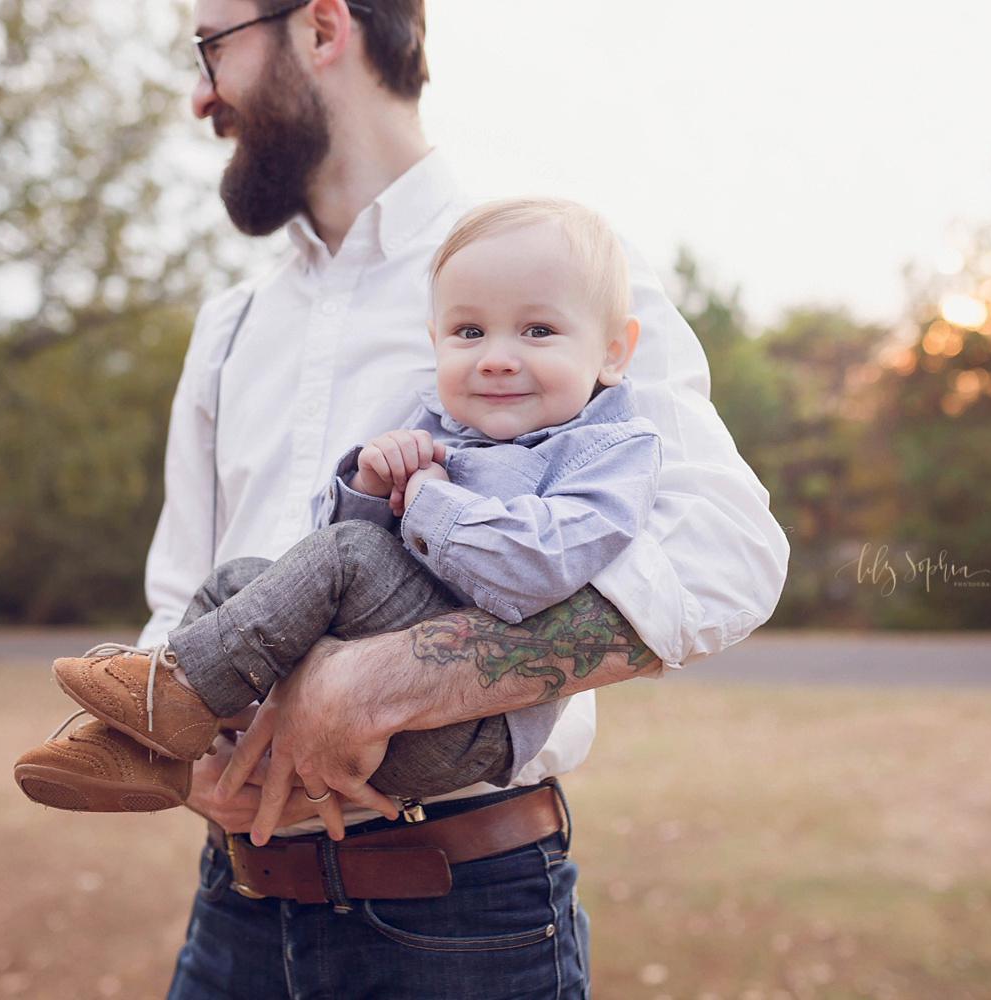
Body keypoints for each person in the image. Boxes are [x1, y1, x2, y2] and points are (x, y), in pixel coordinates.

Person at [88, 1, 786, 996]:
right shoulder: (231, 326)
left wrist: (396, 679)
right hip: (233, 912)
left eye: (212, 49)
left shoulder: (559, 276)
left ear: (323, 28)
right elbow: (180, 589)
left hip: (457, 921)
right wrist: (184, 744)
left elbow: (727, 550)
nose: (202, 94)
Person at [13, 197, 663, 831]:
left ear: (612, 351)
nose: (494, 355)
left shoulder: (609, 450)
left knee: (348, 553)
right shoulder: (441, 425)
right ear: (435, 340)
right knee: (237, 581)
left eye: (538, 330)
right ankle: (154, 754)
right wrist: (370, 487)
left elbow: (538, 570)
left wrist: (430, 499)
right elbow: (322, 578)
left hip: (467, 730)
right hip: (359, 717)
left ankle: (172, 695)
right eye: (469, 332)